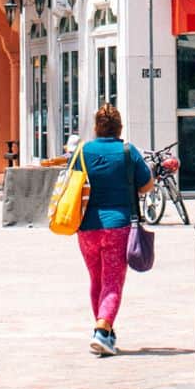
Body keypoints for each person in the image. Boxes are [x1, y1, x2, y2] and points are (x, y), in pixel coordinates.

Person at [73, 103, 152, 356]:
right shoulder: (128, 152)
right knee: (113, 282)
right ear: (119, 128)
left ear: (96, 127)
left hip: (86, 227)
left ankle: (105, 330)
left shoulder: (84, 151)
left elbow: (72, 184)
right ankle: (102, 331)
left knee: (96, 279)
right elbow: (147, 185)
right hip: (117, 226)